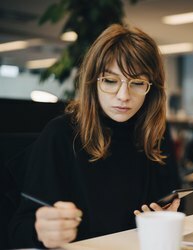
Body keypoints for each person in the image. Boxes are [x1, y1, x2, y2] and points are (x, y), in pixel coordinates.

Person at [8, 24, 182, 249]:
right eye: (110, 81)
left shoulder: (156, 134)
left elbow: (176, 202)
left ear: (152, 88)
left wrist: (165, 217)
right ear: (93, 83)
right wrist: (41, 232)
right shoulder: (61, 134)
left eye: (137, 83)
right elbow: (17, 230)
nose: (123, 96)